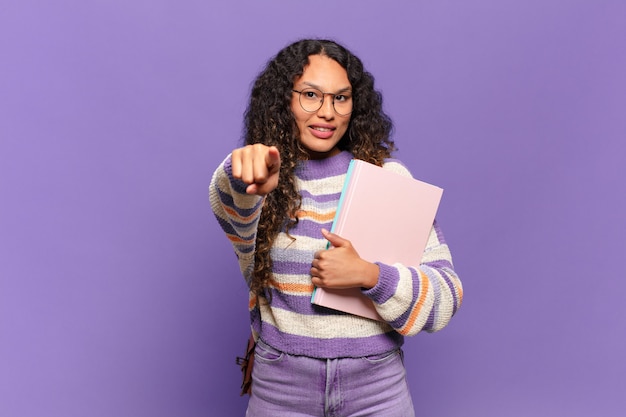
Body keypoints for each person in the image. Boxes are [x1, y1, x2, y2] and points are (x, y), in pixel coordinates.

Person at [209, 39, 463, 417]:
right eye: (310, 95)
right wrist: (241, 169)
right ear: (284, 101)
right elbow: (229, 199)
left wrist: (369, 275)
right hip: (281, 388)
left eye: (340, 98)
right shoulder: (265, 182)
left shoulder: (385, 179)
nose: (327, 112)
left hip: (377, 389)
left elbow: (444, 298)